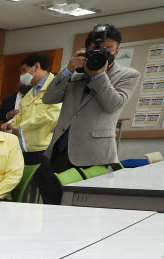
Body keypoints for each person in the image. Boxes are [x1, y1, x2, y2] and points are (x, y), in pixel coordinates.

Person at [37, 24, 140, 204]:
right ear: (87, 50)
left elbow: (113, 105)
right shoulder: (76, 74)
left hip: (93, 156)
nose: (103, 53)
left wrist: (98, 76)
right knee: (51, 204)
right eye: (97, 49)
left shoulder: (128, 75)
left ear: (117, 51)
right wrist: (68, 70)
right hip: (59, 150)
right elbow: (48, 98)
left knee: (82, 209)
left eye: (108, 49)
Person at [3, 53, 60, 164]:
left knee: (40, 180)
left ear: (37, 67)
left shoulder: (56, 87)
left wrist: (21, 126)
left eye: (24, 70)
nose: (22, 75)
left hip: (43, 148)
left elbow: (52, 114)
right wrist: (10, 122)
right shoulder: (31, 91)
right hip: (25, 146)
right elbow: (21, 114)